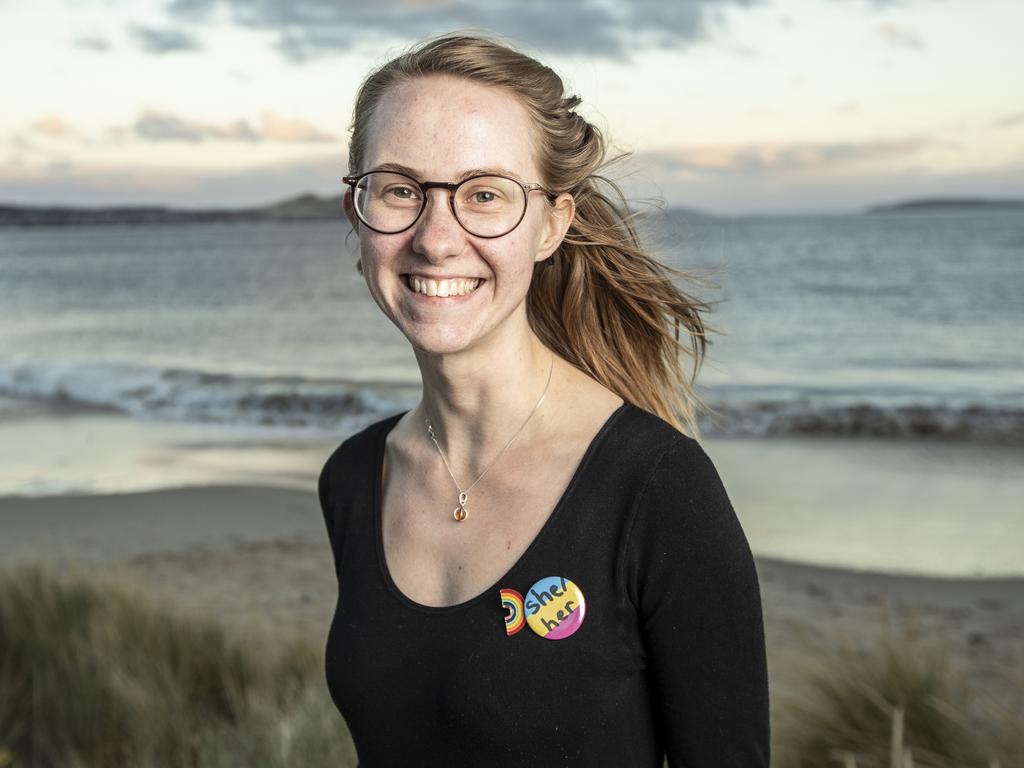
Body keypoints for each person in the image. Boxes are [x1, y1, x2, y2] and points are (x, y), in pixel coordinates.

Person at [318, 30, 770, 767]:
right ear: (357, 211)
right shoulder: (355, 478)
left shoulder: (656, 490)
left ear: (551, 224)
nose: (436, 239)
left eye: (485, 194)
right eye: (401, 189)